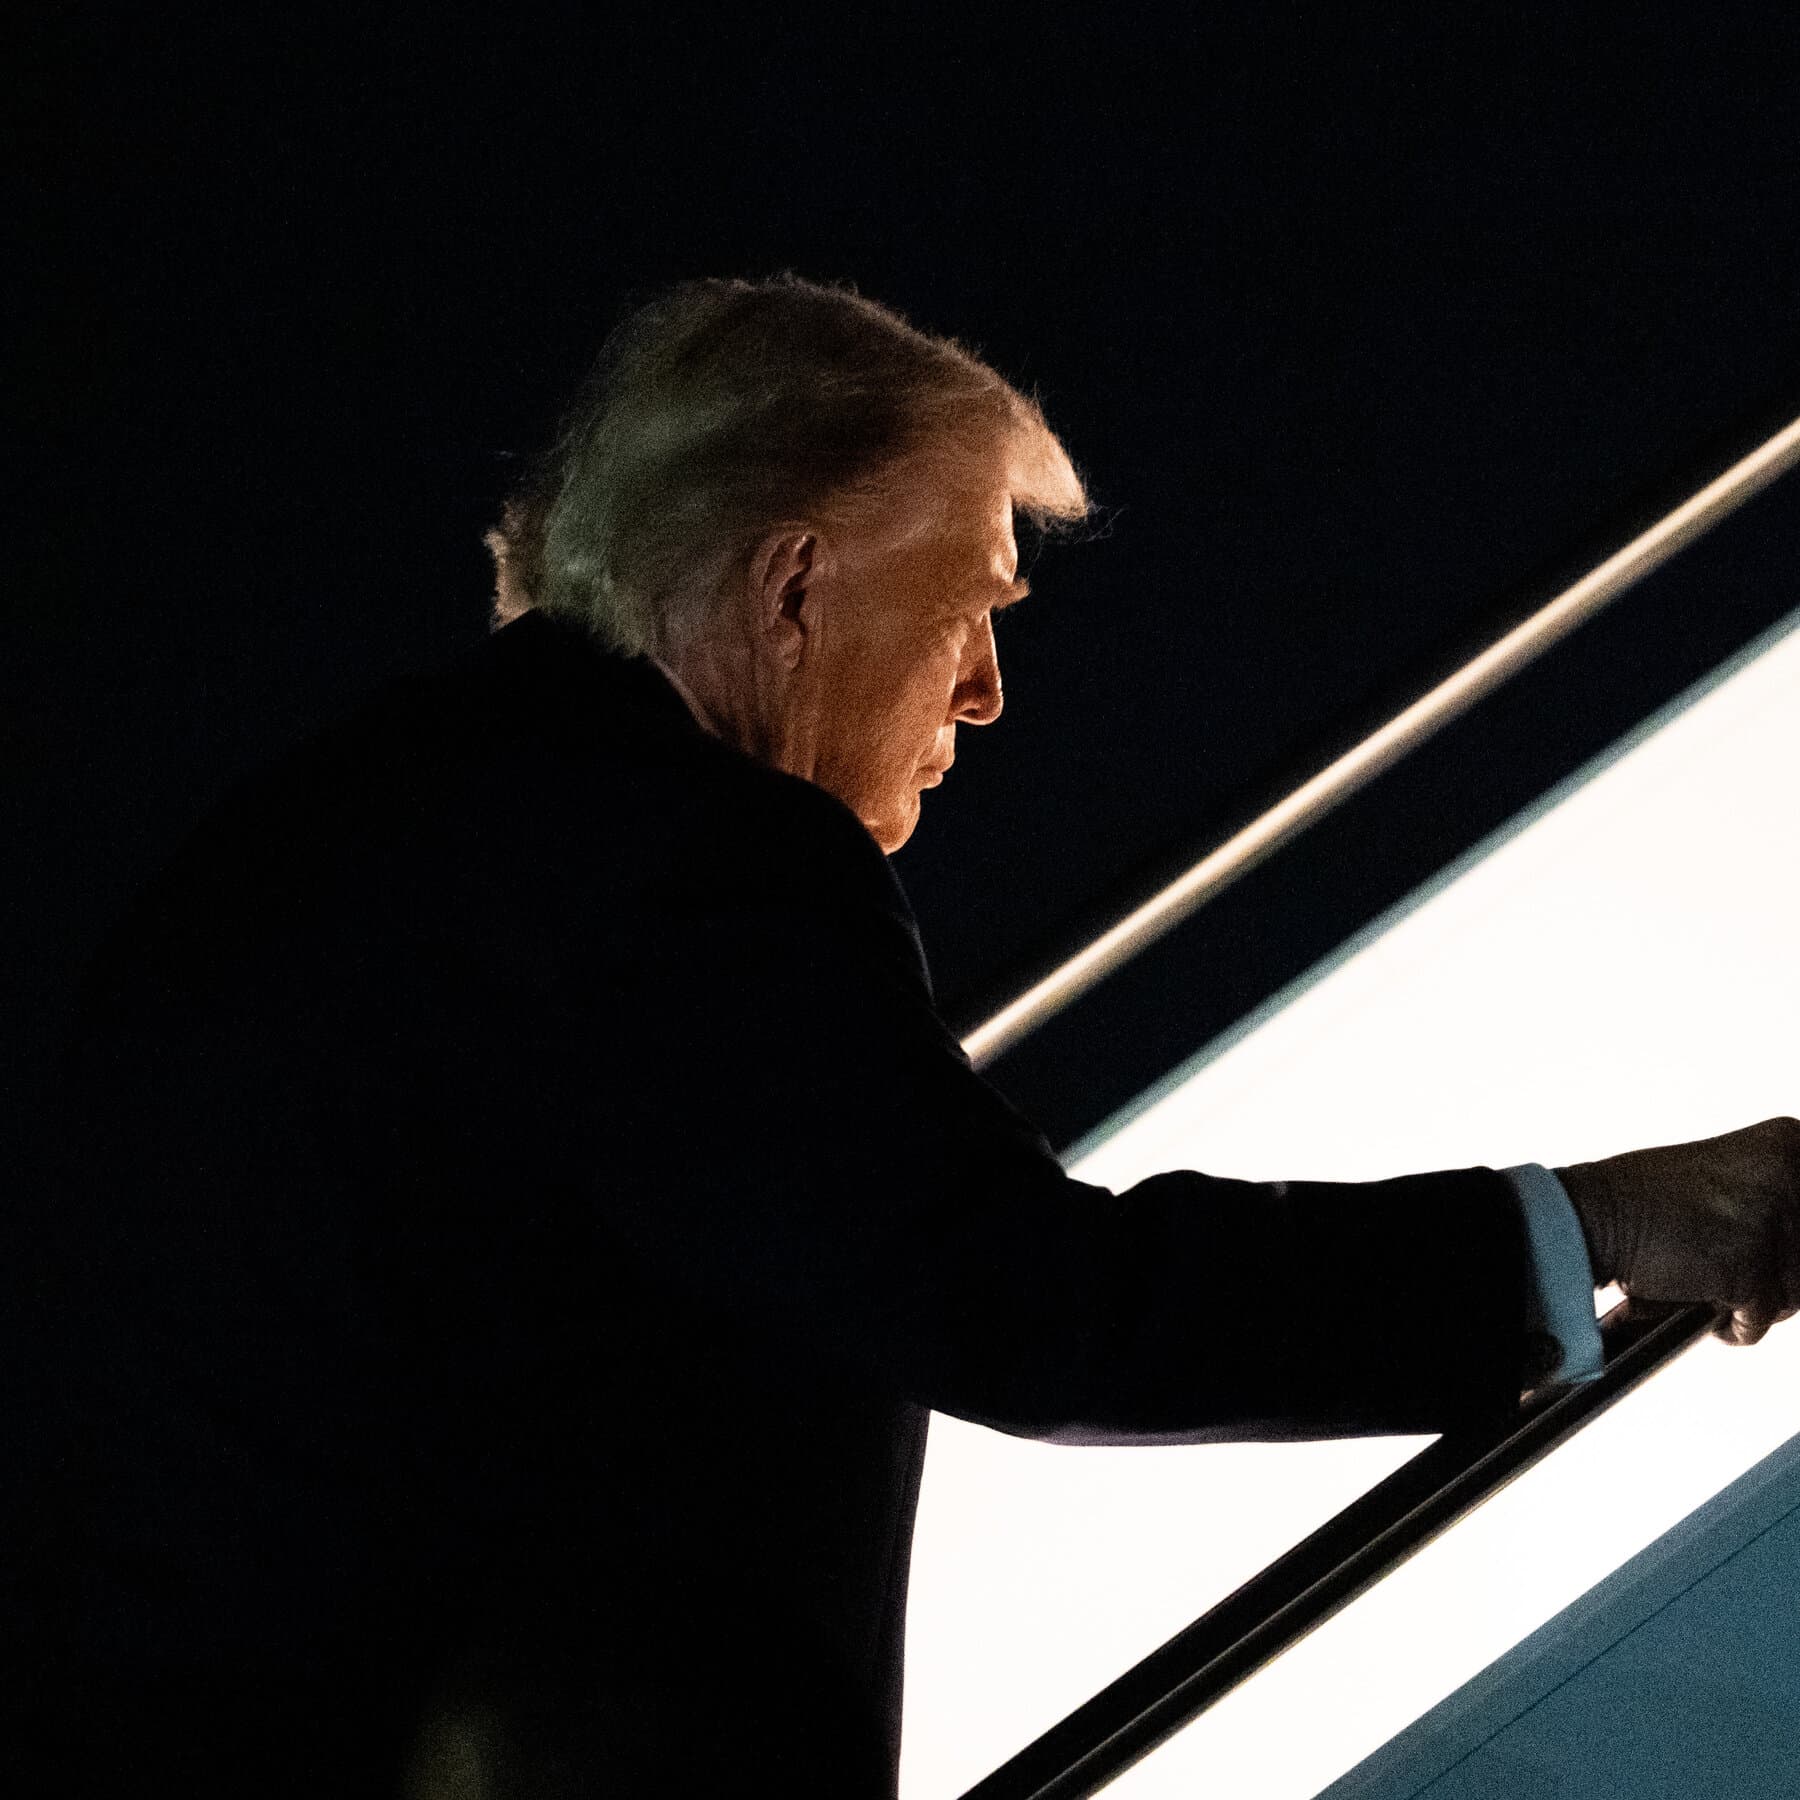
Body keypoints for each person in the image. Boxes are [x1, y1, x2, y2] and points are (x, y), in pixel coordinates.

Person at [9, 276, 1798, 1798]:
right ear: (794, 585)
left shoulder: (358, 828)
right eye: (971, 604)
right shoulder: (681, 855)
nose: (986, 692)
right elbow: (1028, 1299)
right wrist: (1600, 1226)